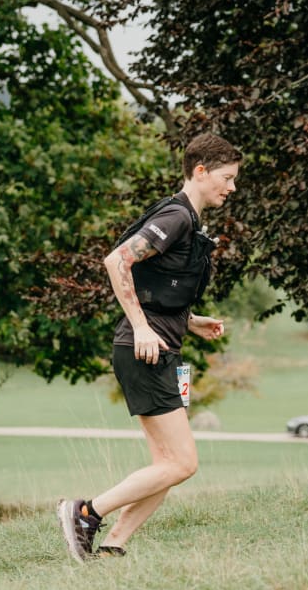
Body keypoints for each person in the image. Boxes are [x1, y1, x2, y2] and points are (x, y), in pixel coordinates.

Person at [57, 133, 243, 562]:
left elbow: (156, 287)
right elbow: (117, 261)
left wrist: (191, 321)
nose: (232, 188)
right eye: (227, 178)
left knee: (167, 464)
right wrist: (142, 328)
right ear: (201, 172)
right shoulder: (177, 216)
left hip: (163, 350)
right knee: (182, 463)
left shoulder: (189, 221)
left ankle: (113, 545)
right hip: (145, 352)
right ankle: (85, 513)